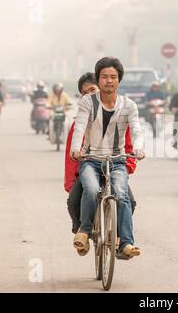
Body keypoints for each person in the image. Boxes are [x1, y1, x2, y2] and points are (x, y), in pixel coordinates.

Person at [70, 57, 145, 259]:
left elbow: (137, 130)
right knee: (92, 189)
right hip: (90, 160)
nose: (109, 81)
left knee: (122, 194)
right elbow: (79, 128)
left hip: (117, 162)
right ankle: (84, 231)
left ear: (119, 80)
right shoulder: (87, 102)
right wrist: (76, 148)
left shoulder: (129, 105)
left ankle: (126, 243)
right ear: (98, 79)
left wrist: (138, 148)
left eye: (113, 77)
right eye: (104, 77)